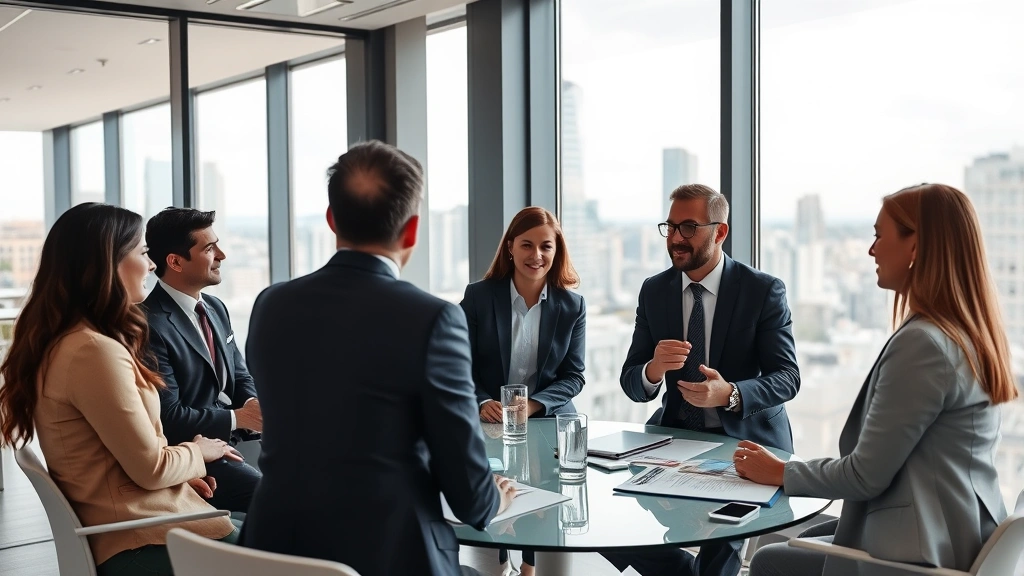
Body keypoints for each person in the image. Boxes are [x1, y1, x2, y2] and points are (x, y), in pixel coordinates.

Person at [240, 140, 516, 576]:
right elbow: (470, 498)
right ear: (412, 231)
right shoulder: (433, 318)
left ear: (332, 221)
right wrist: (494, 497)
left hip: (272, 553)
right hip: (390, 557)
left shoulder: (270, 303)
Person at [737, 183, 1015, 576]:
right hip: (957, 531)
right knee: (795, 536)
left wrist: (778, 472)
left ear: (916, 247)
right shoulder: (965, 333)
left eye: (879, 235)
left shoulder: (924, 345)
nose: (871, 250)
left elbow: (864, 475)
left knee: (767, 560)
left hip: (925, 554)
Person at [0, 203, 242, 576]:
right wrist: (199, 450)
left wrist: (183, 472)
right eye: (143, 254)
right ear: (107, 264)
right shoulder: (92, 352)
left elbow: (121, 456)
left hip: (142, 524)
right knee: (300, 543)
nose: (150, 265)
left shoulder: (75, 342)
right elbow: (152, 468)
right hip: (145, 538)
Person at [605, 184, 801, 576]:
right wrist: (653, 369)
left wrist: (728, 394)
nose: (676, 238)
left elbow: (787, 378)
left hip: (744, 442)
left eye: (689, 227)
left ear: (720, 231)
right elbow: (632, 382)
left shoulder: (761, 290)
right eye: (671, 226)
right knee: (611, 524)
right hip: (675, 439)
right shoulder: (655, 290)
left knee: (721, 541)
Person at [460, 206, 586, 576]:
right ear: (511, 247)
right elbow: (458, 364)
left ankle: (532, 565)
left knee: (546, 507)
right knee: (497, 498)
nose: (537, 256)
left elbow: (573, 376)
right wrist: (484, 400)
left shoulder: (571, 305)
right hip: (491, 420)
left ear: (556, 250)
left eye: (546, 246)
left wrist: (532, 405)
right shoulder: (480, 297)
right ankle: (499, 562)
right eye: (527, 245)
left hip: (546, 421)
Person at [143, 207, 262, 514]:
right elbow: (168, 417)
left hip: (238, 439)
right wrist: (239, 417)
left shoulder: (215, 308)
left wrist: (253, 409)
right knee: (273, 496)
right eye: (209, 248)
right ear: (175, 261)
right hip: (195, 450)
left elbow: (239, 375)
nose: (221, 255)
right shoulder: (148, 324)